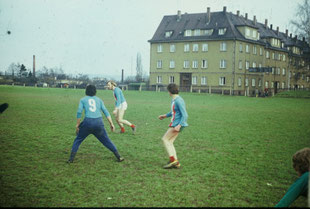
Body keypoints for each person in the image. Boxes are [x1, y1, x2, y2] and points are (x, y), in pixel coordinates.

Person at [67, 84, 124, 163]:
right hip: (98, 123)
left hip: (87, 123)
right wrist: (111, 124)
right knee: (106, 140)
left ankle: (71, 159)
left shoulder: (83, 100)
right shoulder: (99, 100)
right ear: (95, 92)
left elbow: (79, 112)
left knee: (78, 139)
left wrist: (77, 124)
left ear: (86, 91)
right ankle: (119, 156)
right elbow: (106, 112)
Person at [158, 84, 188, 169]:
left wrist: (179, 125)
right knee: (170, 142)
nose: (168, 92)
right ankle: (176, 161)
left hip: (177, 124)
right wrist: (165, 116)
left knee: (164, 139)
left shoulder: (178, 100)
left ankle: (173, 160)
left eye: (168, 91)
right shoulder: (174, 100)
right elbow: (173, 112)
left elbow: (185, 115)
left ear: (170, 91)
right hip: (176, 124)